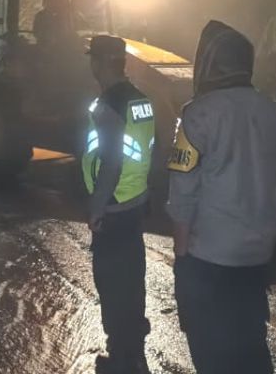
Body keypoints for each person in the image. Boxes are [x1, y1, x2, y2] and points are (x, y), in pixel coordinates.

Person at [167, 21, 276, 374]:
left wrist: (181, 260)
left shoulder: (197, 115)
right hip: (257, 256)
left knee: (211, 353)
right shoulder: (275, 112)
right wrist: (271, 226)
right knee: (251, 350)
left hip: (208, 258)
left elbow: (182, 195)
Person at [84, 34, 155, 374]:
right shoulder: (141, 100)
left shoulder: (108, 105)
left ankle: (122, 360)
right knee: (132, 280)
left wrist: (97, 208)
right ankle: (135, 355)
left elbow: (111, 161)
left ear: (98, 64)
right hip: (134, 203)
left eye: (92, 60)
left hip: (112, 207)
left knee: (112, 284)